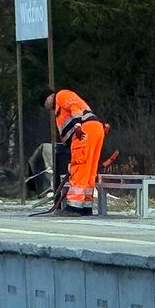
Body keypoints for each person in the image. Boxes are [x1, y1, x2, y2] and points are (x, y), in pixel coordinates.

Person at [39, 87, 105, 215]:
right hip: (94, 129)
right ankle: (86, 206)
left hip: (83, 131)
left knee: (79, 168)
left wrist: (78, 125)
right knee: (89, 170)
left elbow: (73, 106)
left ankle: (74, 206)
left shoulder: (61, 96)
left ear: (49, 97)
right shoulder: (59, 110)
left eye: (45, 104)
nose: (48, 108)